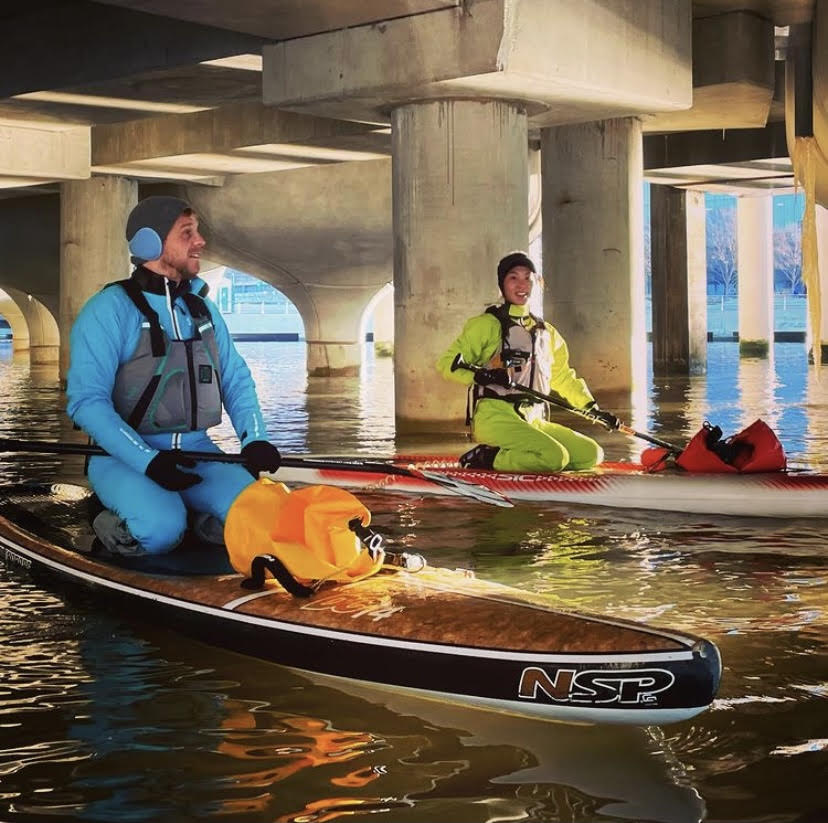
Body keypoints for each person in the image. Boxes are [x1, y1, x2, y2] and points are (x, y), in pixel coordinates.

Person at [66, 195, 282, 556]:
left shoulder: (202, 309)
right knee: (161, 531)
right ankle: (109, 518)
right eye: (187, 233)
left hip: (200, 453)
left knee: (269, 516)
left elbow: (236, 380)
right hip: (124, 459)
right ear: (150, 243)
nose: (200, 242)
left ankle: (198, 521)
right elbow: (87, 403)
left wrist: (255, 439)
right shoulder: (108, 310)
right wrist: (147, 461)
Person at [436, 250, 619, 473]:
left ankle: (540, 464)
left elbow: (562, 377)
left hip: (534, 417)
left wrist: (592, 409)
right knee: (555, 456)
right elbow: (447, 364)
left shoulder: (547, 332)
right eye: (513, 277)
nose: (521, 284)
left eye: (528, 278)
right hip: (496, 416)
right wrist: (478, 375)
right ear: (502, 285)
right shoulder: (486, 325)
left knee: (591, 454)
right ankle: (487, 457)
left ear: (536, 283)